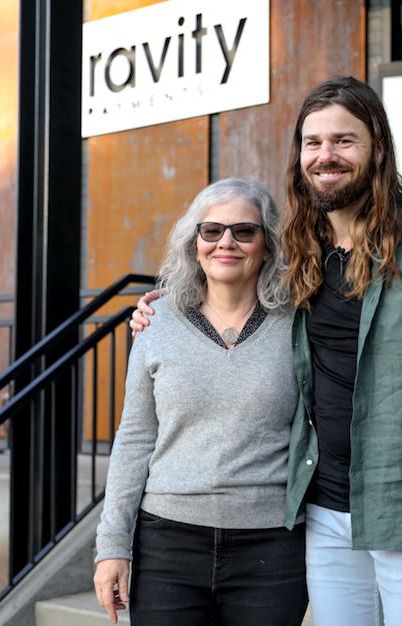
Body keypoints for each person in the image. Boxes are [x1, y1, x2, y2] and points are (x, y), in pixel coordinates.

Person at [133, 76, 402, 625]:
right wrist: (163, 307)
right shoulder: (299, 252)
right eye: (313, 142)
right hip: (324, 514)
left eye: (344, 141)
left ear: (377, 148)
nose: (326, 155)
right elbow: (226, 284)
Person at [93, 178, 308, 625]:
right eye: (211, 231)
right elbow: (134, 440)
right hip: (167, 548)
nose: (225, 242)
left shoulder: (301, 326)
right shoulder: (156, 323)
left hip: (270, 548)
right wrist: (111, 545)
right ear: (195, 245)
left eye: (244, 231)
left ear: (267, 246)